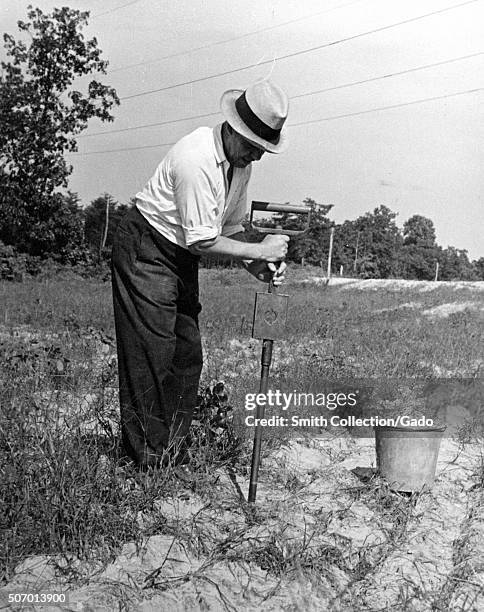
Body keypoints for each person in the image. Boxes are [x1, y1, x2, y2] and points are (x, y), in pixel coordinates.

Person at [111, 79, 290, 468]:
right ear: (232, 129)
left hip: (180, 253)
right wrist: (260, 248)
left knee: (187, 353)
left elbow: (229, 230)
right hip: (146, 246)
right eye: (252, 147)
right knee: (151, 352)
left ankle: (170, 450)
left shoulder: (239, 164)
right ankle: (146, 460)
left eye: (262, 150)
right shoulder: (196, 158)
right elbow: (202, 241)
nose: (256, 157)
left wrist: (257, 265)